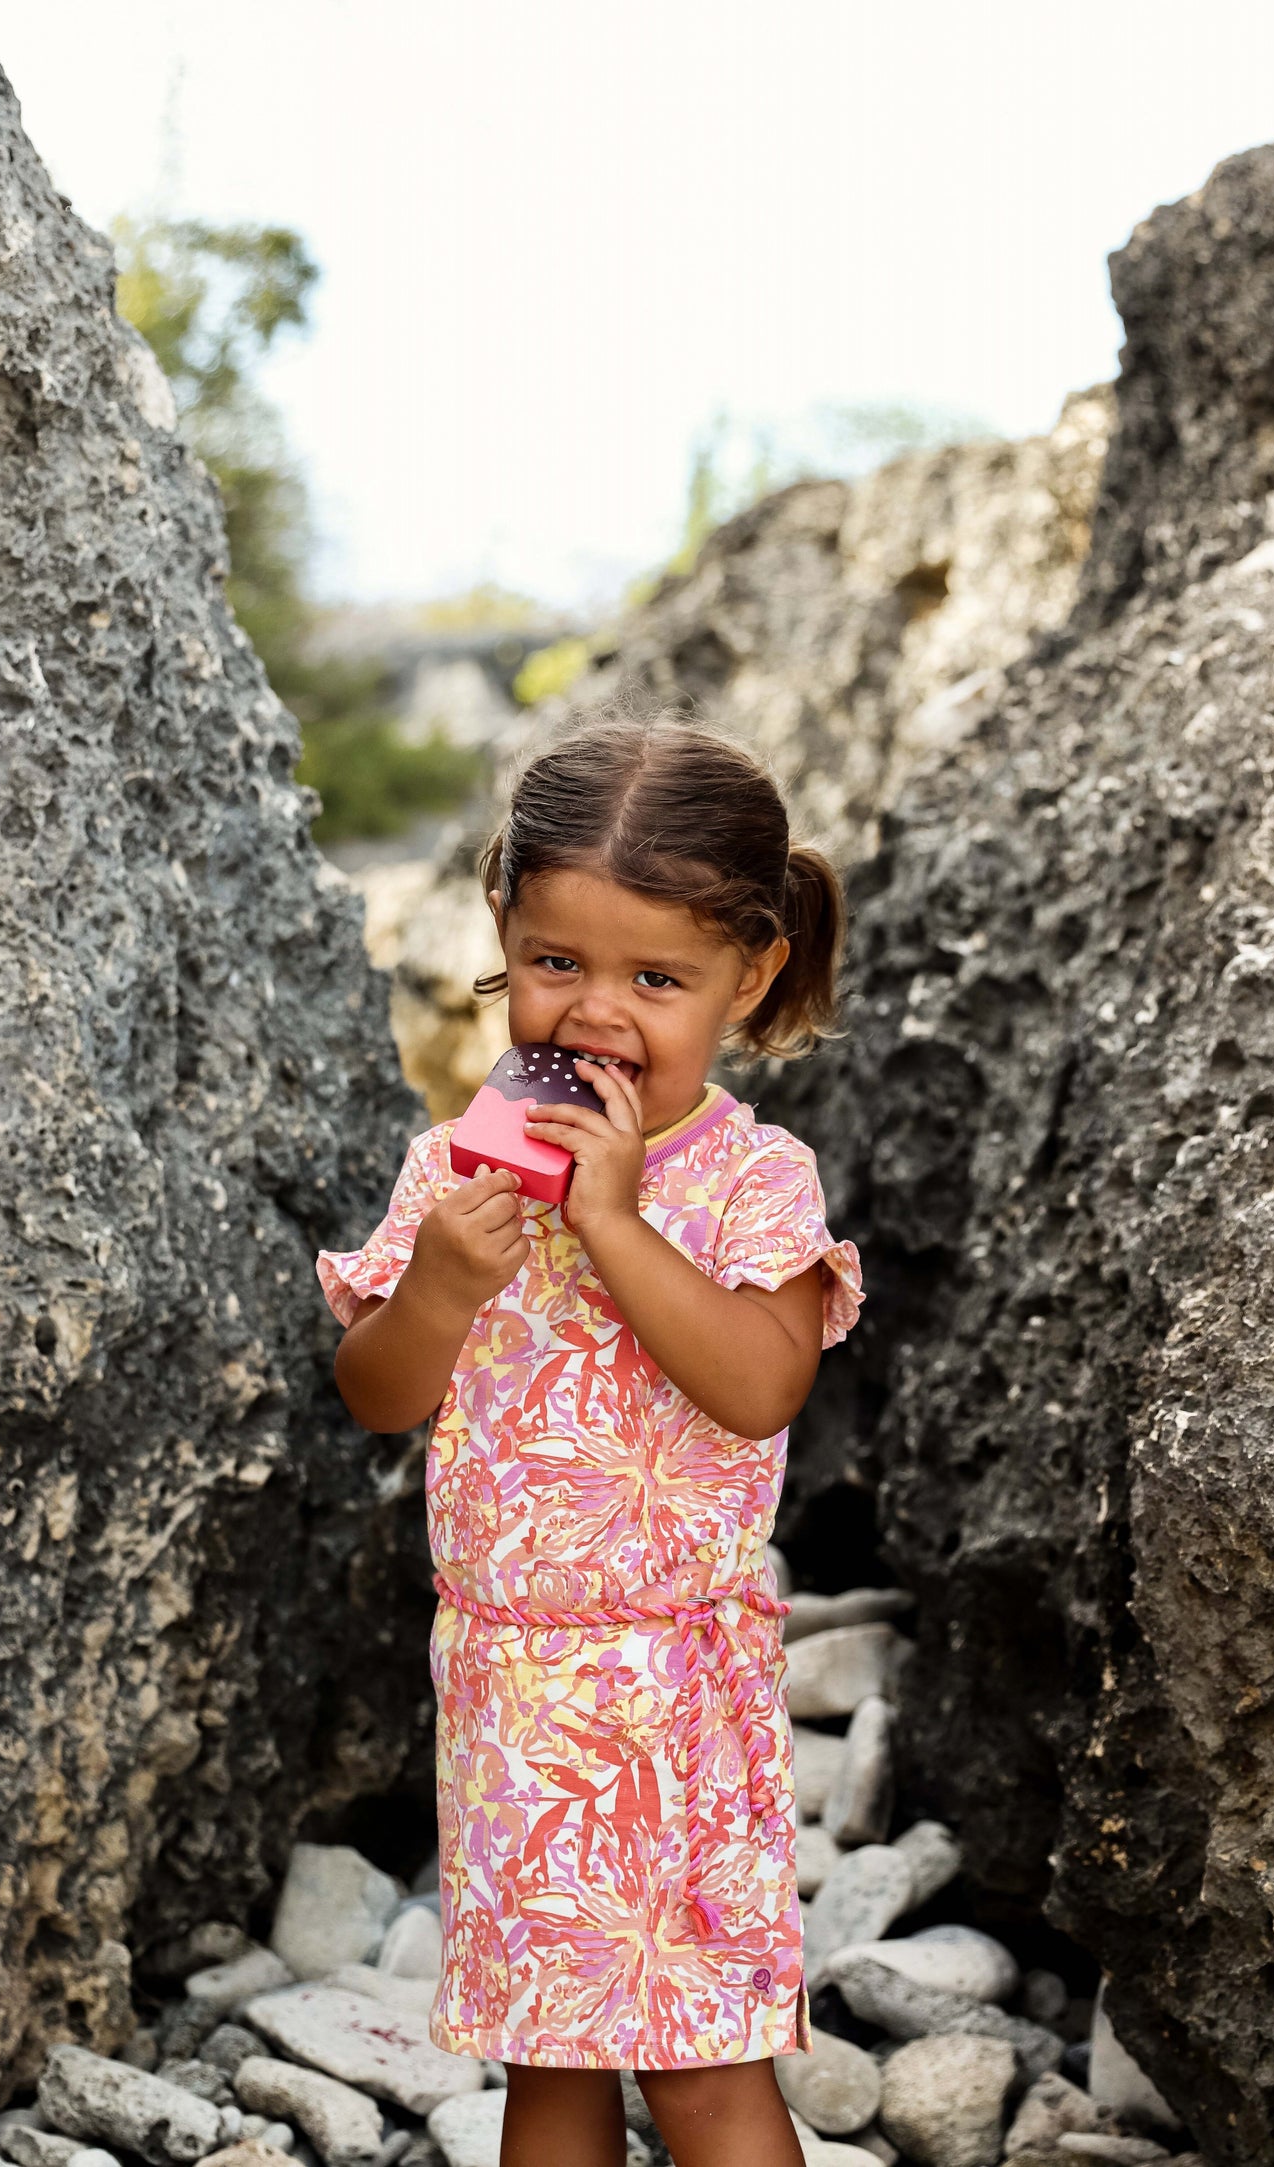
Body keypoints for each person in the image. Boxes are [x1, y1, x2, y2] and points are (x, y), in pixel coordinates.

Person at [316, 713, 863, 2167]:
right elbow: (376, 1393)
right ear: (501, 929)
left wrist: (612, 1221)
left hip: (674, 1689)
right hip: (506, 1683)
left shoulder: (753, 1178)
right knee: (547, 2069)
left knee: (698, 2073)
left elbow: (758, 1385)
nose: (595, 1014)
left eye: (656, 978)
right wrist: (437, 1285)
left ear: (748, 974)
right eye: (556, 963)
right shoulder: (452, 1167)